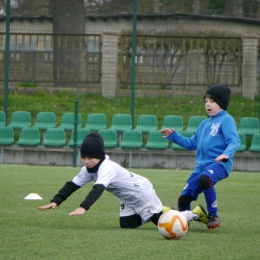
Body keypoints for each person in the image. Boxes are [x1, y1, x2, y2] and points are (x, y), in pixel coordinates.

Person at [39, 132, 207, 228]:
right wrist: (56, 201)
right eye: (84, 157)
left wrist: (83, 207)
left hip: (141, 192)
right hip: (127, 197)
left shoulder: (106, 168)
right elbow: (72, 185)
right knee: (126, 224)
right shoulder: (88, 169)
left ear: (99, 156)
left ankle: (193, 214)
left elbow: (97, 189)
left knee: (163, 223)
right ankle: (160, 209)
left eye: (91, 157)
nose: (87, 161)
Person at [161, 84, 240, 229]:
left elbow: (234, 141)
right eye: (206, 101)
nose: (208, 104)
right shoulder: (204, 124)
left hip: (219, 164)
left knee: (206, 179)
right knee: (183, 199)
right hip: (200, 167)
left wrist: (225, 154)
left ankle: (213, 215)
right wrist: (174, 136)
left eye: (212, 101)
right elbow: (192, 143)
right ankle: (183, 222)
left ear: (221, 103)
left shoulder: (226, 120)